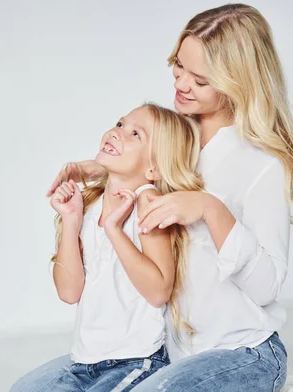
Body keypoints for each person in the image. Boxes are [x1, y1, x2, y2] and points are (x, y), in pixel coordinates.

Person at [12, 3, 293, 392]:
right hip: (170, 353)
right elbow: (150, 166)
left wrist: (209, 208)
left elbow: (266, 287)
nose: (181, 83)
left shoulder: (260, 165)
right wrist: (102, 168)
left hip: (242, 352)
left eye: (200, 80)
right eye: (179, 65)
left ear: (238, 82)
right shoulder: (179, 137)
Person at [45, 103, 203, 391]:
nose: (117, 133)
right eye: (119, 124)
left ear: (153, 167)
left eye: (135, 134)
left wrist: (114, 231)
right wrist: (71, 220)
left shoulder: (147, 202)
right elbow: (69, 292)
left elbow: (158, 291)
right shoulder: (90, 205)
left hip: (135, 361)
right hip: (83, 363)